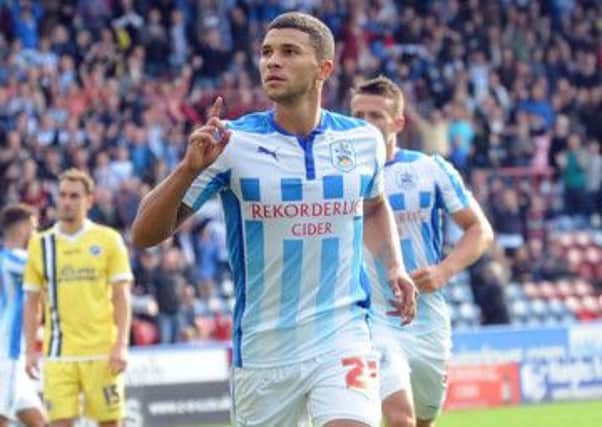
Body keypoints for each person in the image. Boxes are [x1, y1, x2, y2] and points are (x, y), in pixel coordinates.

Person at [131, 12, 417, 427]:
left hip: (341, 333)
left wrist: (395, 266)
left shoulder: (363, 141)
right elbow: (144, 234)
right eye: (266, 52)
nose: (272, 62)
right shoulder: (230, 143)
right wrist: (187, 170)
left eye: (288, 52)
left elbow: (372, 205)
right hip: (264, 353)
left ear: (324, 69)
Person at [350, 76, 494, 427]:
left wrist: (444, 271)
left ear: (397, 123)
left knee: (424, 418)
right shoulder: (342, 177)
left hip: (427, 318)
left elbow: (480, 230)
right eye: (358, 116)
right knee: (401, 419)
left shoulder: (430, 169)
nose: (365, 125)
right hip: (371, 316)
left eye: (375, 116)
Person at [22, 169, 133, 427]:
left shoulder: (108, 240)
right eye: (62, 195)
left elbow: (121, 296)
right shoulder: (40, 244)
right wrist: (30, 351)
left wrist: (122, 344)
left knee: (111, 424)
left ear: (89, 201)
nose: (67, 201)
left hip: (103, 352)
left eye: (74, 196)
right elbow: (32, 303)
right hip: (59, 353)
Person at [0, 204, 46, 427]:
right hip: (6, 353)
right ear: (22, 230)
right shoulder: (12, 260)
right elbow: (48, 269)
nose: (35, 234)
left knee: (39, 421)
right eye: (34, 228)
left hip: (16, 355)